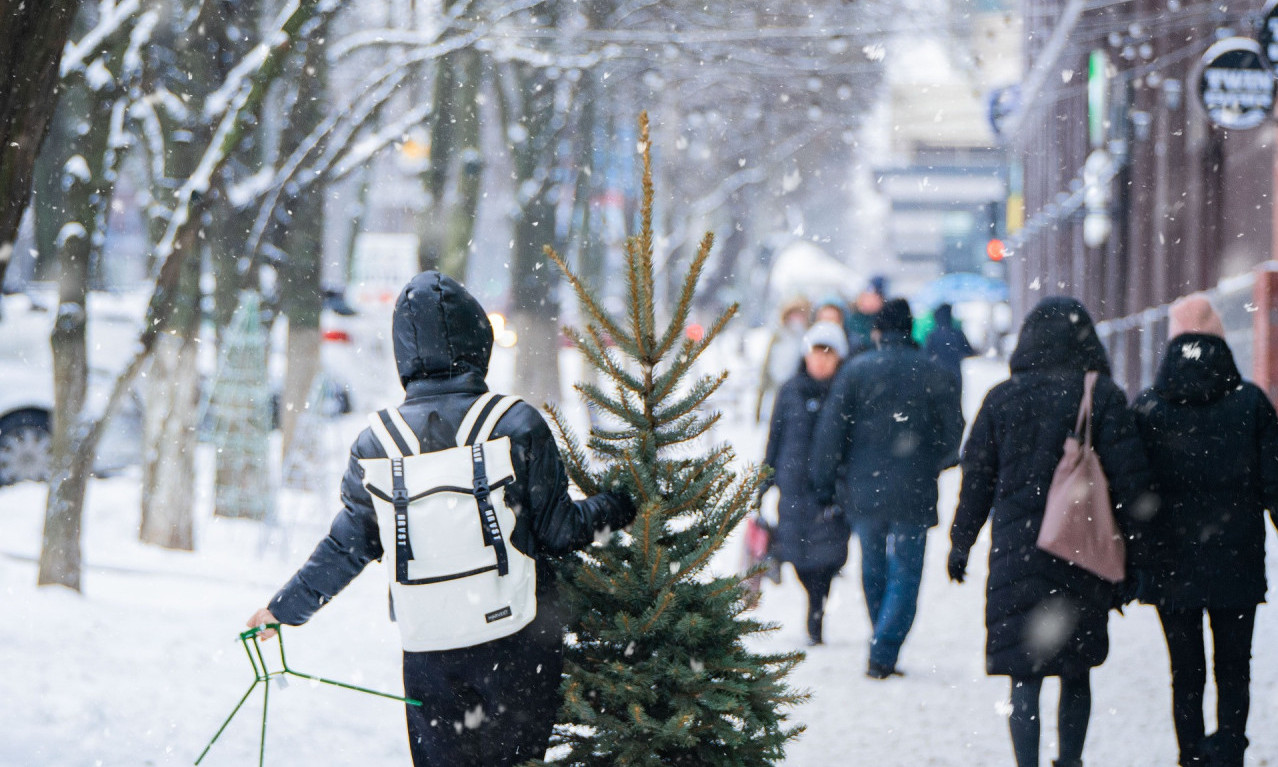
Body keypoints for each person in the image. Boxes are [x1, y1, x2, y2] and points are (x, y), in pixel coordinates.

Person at [245, 271, 636, 767]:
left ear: (403, 352)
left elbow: (348, 546)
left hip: (429, 649)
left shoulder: (376, 445)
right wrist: (627, 501)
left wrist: (283, 610)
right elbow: (562, 532)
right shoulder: (515, 424)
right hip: (517, 642)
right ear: (479, 341)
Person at [947, 296, 1151, 767]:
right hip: (1083, 549)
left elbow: (976, 478)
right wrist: (1139, 558)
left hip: (1019, 556)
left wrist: (962, 542)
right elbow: (1131, 483)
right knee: (1076, 671)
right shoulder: (1100, 395)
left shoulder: (1002, 397)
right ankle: (1071, 762)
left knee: (1025, 675)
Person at [1131, 294, 1278, 767]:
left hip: (1171, 563)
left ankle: (1190, 754)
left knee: (1185, 670)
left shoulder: (1150, 406)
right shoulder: (1251, 402)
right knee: (1235, 668)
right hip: (1236, 559)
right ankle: (1230, 748)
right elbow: (1275, 482)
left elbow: (1133, 488)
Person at [810, 298, 964, 678]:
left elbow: (831, 433)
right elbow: (953, 434)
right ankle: (885, 645)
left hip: (864, 488)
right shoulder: (934, 372)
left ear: (877, 331)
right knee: (907, 571)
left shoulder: (855, 372)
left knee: (873, 566)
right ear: (910, 329)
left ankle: (881, 638)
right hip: (914, 488)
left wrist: (825, 483)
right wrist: (933, 463)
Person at [761, 321, 853, 646]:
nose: (821, 361)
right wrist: (764, 480)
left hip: (831, 490)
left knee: (827, 559)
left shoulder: (846, 392)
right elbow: (775, 438)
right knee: (798, 557)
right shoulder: (790, 390)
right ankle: (814, 605)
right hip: (794, 488)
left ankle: (817, 612)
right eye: (817, 353)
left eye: (829, 354)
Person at [755, 295, 812, 422]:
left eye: (800, 315)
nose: (796, 319)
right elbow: (767, 364)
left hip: (796, 391)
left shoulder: (807, 338)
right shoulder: (778, 336)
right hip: (774, 388)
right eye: (794, 314)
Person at [924, 302, 976, 395]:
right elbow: (969, 351)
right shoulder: (958, 334)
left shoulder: (932, 335)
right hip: (955, 374)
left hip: (937, 375)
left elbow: (926, 355)